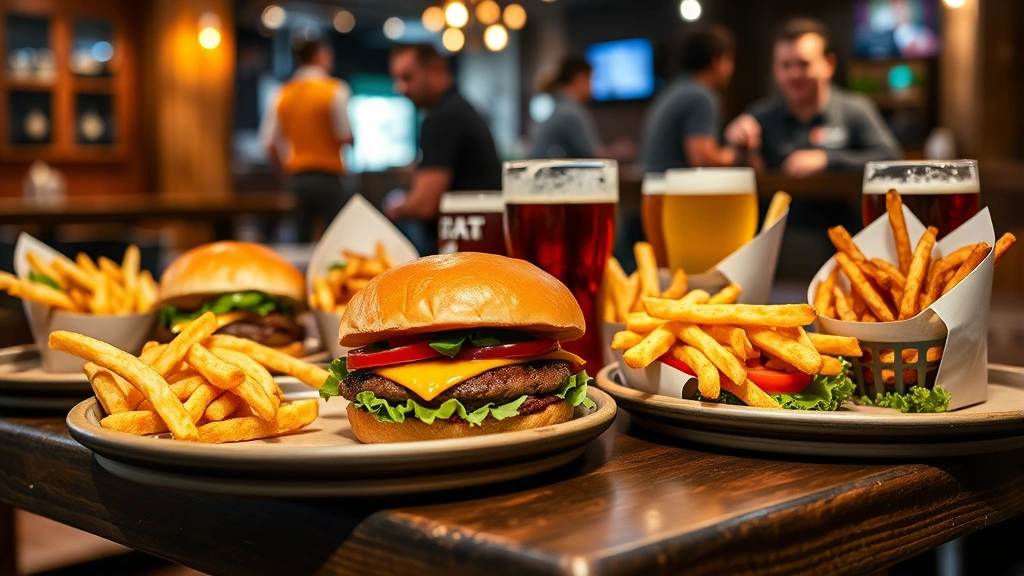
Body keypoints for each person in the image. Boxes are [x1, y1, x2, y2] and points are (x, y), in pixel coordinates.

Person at [725, 18, 901, 176]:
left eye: (804, 64)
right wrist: (739, 147)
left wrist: (827, 160)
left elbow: (889, 157)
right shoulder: (760, 116)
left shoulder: (855, 109)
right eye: (785, 65)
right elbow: (748, 168)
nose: (794, 75)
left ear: (829, 64)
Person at [385, 44, 501, 242]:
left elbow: (425, 205)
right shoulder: (458, 108)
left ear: (435, 70)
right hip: (479, 239)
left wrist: (395, 206)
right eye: (397, 79)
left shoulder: (442, 117)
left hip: (464, 248)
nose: (401, 88)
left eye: (407, 78)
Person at [260, 38, 353, 242]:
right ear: (319, 56)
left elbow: (268, 144)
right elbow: (345, 136)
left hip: (298, 178)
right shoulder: (335, 90)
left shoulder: (282, 93)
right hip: (330, 177)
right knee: (336, 241)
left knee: (300, 240)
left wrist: (286, 170)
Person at [640, 25, 737, 171]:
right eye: (729, 59)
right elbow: (703, 160)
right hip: (672, 190)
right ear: (717, 61)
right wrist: (736, 155)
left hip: (653, 185)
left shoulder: (672, 91)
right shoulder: (700, 96)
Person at [530, 56, 632, 160]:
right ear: (579, 79)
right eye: (591, 79)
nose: (593, 86)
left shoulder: (557, 105)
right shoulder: (570, 112)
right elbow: (592, 155)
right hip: (552, 175)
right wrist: (618, 152)